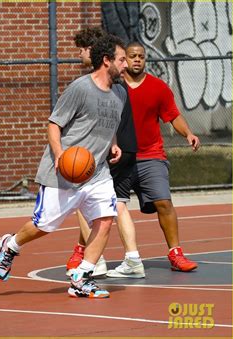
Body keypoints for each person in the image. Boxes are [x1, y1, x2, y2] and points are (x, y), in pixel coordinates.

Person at [0, 34, 128, 298]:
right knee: (43, 226)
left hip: (97, 172)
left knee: (105, 220)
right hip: (66, 172)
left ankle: (81, 277)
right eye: (121, 59)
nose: (125, 65)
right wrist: (59, 154)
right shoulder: (80, 88)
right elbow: (54, 124)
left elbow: (108, 123)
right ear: (106, 60)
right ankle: (10, 245)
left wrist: (113, 143)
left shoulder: (120, 93)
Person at [106, 42, 200, 276]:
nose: (137, 59)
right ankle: (85, 253)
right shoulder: (114, 87)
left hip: (151, 156)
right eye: (132, 56)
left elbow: (173, 115)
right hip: (120, 157)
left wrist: (188, 133)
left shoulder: (158, 87)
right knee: (105, 208)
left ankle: (176, 253)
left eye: (141, 56)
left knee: (164, 203)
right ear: (124, 59)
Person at [66, 28, 144, 279]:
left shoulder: (99, 83)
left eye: (82, 50)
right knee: (117, 204)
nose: (79, 54)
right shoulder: (117, 82)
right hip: (128, 146)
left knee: (82, 200)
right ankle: (133, 258)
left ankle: (95, 259)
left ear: (94, 52)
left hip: (108, 151)